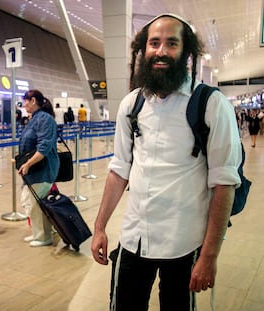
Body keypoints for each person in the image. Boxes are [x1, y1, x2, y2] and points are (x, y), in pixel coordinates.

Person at [90, 13, 242, 310]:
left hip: (184, 245)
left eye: (171, 43)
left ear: (186, 51)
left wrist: (209, 257)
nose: (161, 51)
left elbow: (224, 184)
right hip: (134, 239)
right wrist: (100, 227)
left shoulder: (211, 104)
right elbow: (119, 170)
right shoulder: (131, 104)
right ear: (142, 49)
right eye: (154, 43)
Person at [17, 89, 59, 247]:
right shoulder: (35, 118)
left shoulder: (44, 119)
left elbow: (44, 146)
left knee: (35, 204)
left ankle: (43, 237)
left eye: (25, 101)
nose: (24, 104)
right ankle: (38, 233)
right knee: (35, 202)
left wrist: (28, 163)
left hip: (42, 167)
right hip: (36, 167)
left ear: (33, 101)